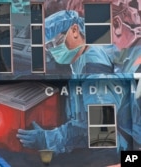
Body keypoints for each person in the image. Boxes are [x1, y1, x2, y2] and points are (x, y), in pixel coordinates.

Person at [17, 9, 141, 166]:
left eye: (54, 43)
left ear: (74, 31)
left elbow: (100, 130)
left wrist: (49, 139)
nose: (52, 51)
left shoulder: (95, 70)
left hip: (117, 150)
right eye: (47, 47)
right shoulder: (81, 61)